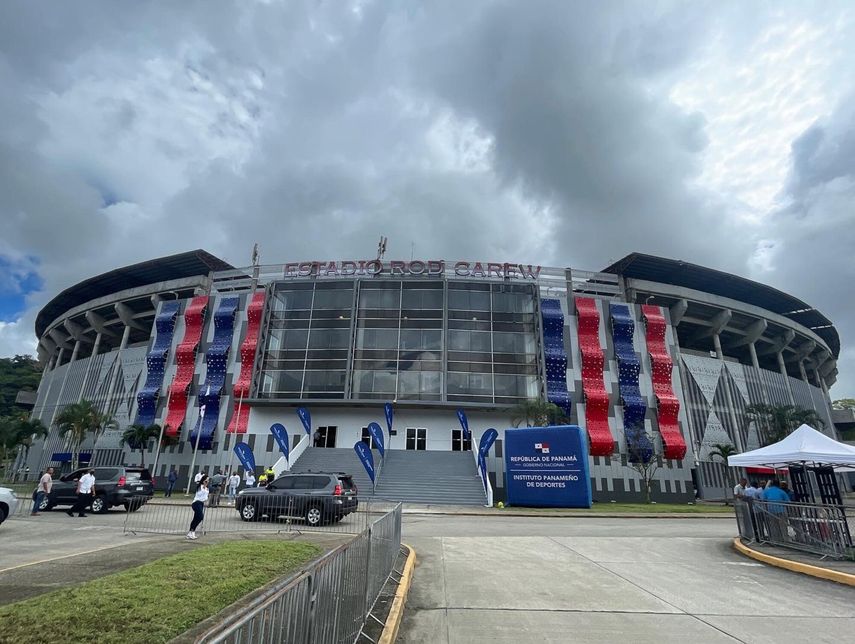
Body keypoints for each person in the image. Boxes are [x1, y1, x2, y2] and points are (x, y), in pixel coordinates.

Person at [187, 474, 209, 540]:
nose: (207, 482)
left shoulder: (207, 489)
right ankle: (192, 531)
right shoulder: (200, 486)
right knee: (200, 516)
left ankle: (191, 532)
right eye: (206, 481)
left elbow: (206, 497)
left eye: (208, 481)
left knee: (196, 518)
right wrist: (204, 486)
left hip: (201, 503)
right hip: (196, 502)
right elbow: (199, 494)